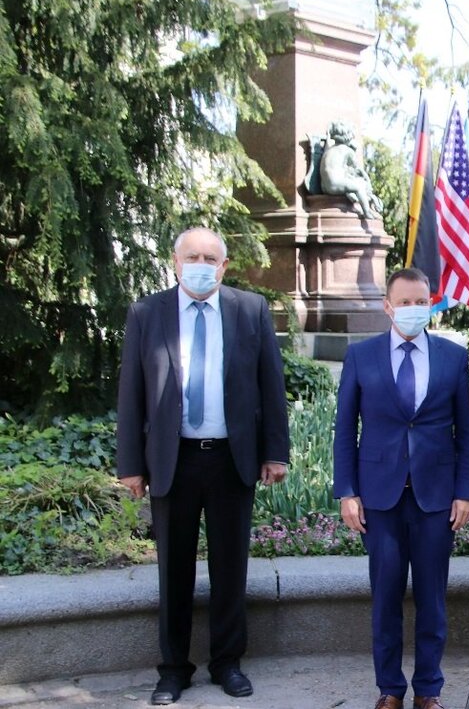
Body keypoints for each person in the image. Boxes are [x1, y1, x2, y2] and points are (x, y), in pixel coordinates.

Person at [116, 227, 290, 706]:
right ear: (174, 262)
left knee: (230, 567)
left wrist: (275, 452)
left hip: (231, 460)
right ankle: (172, 670)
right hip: (173, 461)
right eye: (191, 255)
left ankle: (227, 663)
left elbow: (270, 385)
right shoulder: (147, 313)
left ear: (224, 266)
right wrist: (131, 463)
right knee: (173, 570)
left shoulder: (249, 310)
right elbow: (131, 393)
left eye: (210, 257)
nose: (200, 263)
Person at [333, 267, 469, 709]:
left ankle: (428, 691)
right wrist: (347, 492)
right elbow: (344, 430)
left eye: (423, 302)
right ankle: (390, 690)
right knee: (386, 599)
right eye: (407, 302)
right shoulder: (361, 356)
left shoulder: (454, 358)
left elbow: (467, 434)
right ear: (388, 305)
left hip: (437, 498)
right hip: (379, 497)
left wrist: (466, 491)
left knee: (433, 599)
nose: (415, 309)